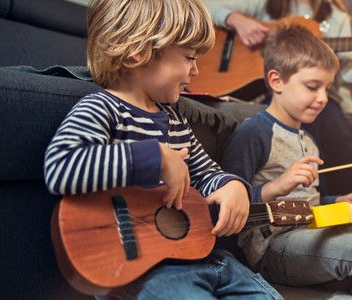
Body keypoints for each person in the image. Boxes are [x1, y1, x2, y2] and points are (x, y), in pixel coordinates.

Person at [42, 0, 281, 298]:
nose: (195, 71)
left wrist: (232, 186)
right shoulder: (101, 108)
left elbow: (206, 172)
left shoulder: (173, 116)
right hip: (142, 269)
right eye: (189, 57)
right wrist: (155, 158)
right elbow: (61, 166)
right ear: (139, 52)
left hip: (201, 256)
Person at [220, 24, 352, 300]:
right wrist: (275, 186)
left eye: (327, 88)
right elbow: (226, 205)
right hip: (274, 248)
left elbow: (309, 204)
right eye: (313, 87)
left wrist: (337, 201)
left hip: (314, 230)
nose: (323, 98)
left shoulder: (308, 139)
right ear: (276, 81)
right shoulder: (255, 132)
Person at [205, 0, 352, 195]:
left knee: (327, 114)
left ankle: (342, 203)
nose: (321, 97)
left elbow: (346, 72)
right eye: (312, 87)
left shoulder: (337, 17)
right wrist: (235, 19)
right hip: (267, 94)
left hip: (323, 108)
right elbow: (199, 5)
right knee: (316, 113)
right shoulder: (266, 3)